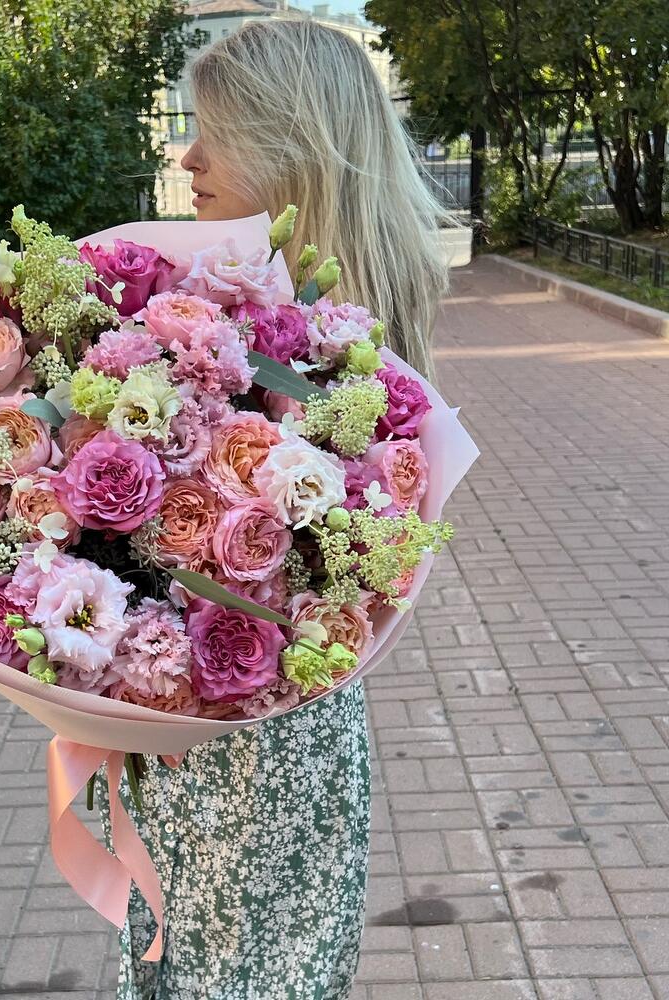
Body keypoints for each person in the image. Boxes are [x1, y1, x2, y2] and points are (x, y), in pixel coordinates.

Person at [100, 18, 450, 1000]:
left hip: (271, 743)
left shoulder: (349, 365)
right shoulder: (196, 323)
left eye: (214, 132)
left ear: (291, 147)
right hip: (195, 740)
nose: (188, 156)